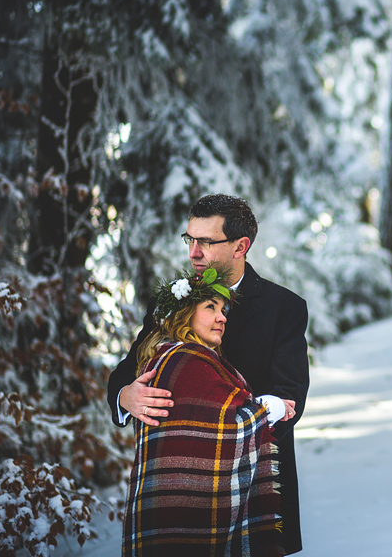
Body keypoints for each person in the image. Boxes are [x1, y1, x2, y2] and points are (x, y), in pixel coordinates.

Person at [108, 194, 309, 554]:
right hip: (179, 488)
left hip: (253, 490)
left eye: (205, 242)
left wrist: (239, 424)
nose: (193, 253)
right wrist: (126, 396)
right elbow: (125, 372)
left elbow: (289, 396)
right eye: (189, 239)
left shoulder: (283, 307)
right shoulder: (172, 302)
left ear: (240, 246)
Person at [123, 266, 283, 555]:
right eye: (211, 307)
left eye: (223, 310)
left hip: (162, 508)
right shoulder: (187, 362)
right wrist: (271, 408)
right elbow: (231, 428)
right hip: (189, 511)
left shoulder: (171, 357)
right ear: (184, 314)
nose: (222, 317)